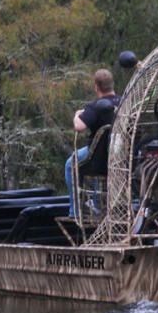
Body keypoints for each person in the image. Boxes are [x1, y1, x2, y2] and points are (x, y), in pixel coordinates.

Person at [65, 69, 121, 217]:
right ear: (112, 85)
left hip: (99, 158)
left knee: (70, 165)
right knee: (99, 154)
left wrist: (77, 115)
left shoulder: (96, 106)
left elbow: (79, 126)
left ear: (96, 87)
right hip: (120, 155)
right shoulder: (124, 103)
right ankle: (98, 204)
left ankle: (75, 211)